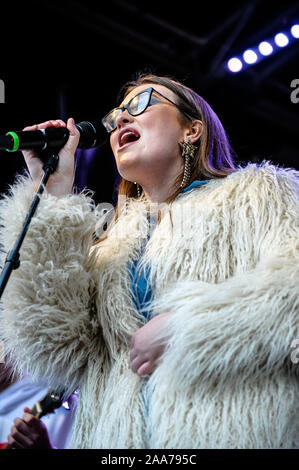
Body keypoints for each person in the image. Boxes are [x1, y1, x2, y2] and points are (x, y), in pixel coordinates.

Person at [0, 73, 298, 449]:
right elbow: (50, 346)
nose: (121, 120)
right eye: (116, 116)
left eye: (140, 105)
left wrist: (187, 329)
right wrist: (55, 190)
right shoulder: (110, 249)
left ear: (191, 131)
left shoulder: (260, 194)